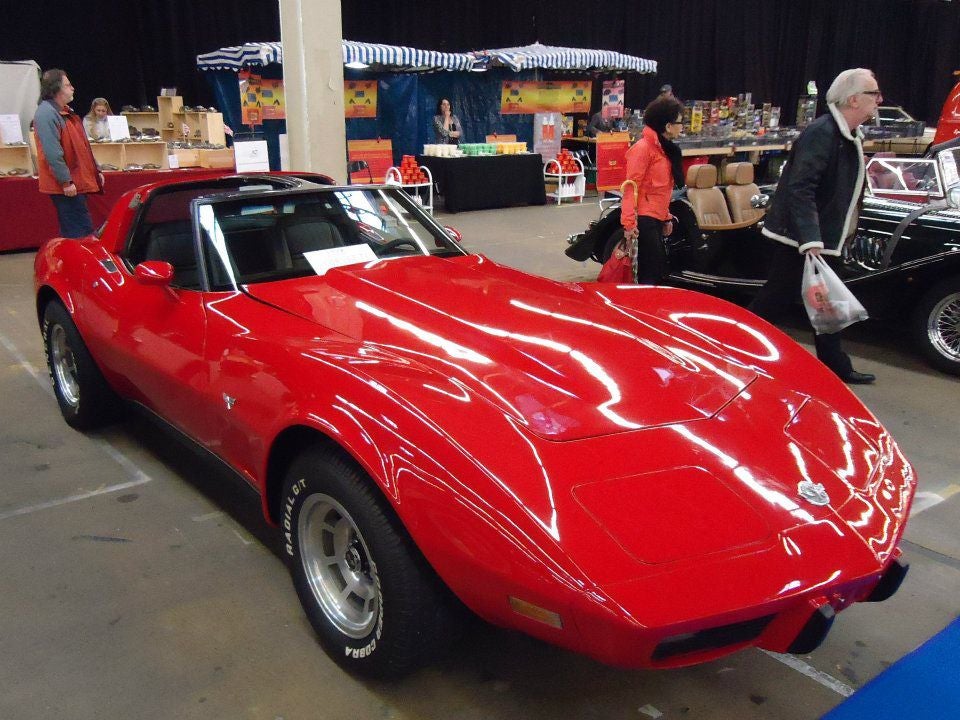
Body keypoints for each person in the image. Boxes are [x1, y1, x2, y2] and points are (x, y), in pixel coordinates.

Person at [748, 68, 879, 385]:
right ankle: (737, 347)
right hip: (801, 240)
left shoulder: (845, 135)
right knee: (775, 300)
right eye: (874, 94)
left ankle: (836, 365)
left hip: (820, 238)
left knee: (826, 306)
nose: (879, 100)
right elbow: (800, 187)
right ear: (853, 99)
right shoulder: (823, 133)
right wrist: (811, 238)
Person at [619, 95, 685, 284]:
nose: (682, 127)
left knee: (657, 270)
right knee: (650, 272)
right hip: (644, 219)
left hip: (657, 217)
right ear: (668, 126)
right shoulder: (643, 149)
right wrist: (629, 224)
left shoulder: (665, 150)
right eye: (680, 122)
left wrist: (666, 216)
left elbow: (662, 190)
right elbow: (631, 188)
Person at [34, 69, 103, 238]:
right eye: (67, 85)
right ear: (56, 88)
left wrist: (96, 170)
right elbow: (52, 153)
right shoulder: (46, 113)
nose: (72, 88)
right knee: (80, 233)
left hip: (76, 182)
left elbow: (82, 146)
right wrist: (66, 181)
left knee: (78, 229)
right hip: (67, 186)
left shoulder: (65, 112)